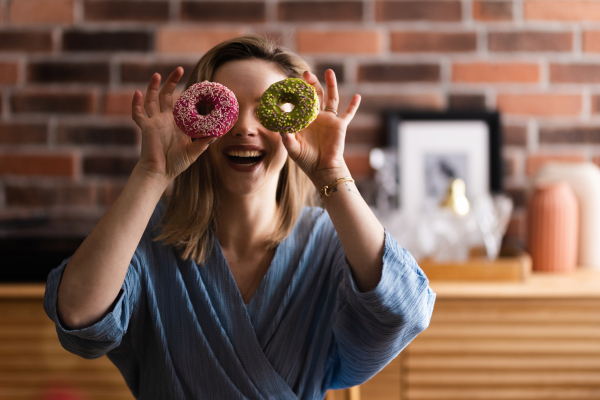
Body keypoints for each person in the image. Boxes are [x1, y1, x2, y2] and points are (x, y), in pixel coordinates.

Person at [43, 35, 435, 400]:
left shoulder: (331, 246)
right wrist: (151, 174)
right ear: (195, 119)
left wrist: (332, 173)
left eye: (269, 110)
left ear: (298, 121)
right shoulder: (148, 239)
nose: (245, 128)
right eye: (226, 110)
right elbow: (78, 318)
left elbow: (403, 312)